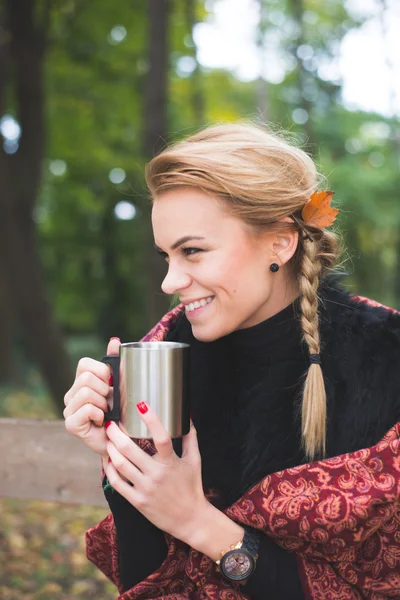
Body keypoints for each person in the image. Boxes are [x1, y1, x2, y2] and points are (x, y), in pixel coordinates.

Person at [63, 123, 400, 600]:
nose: (169, 281)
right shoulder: (166, 354)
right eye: (165, 255)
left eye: (192, 251)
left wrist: (197, 523)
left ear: (281, 243)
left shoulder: (387, 358)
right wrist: (122, 461)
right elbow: (145, 586)